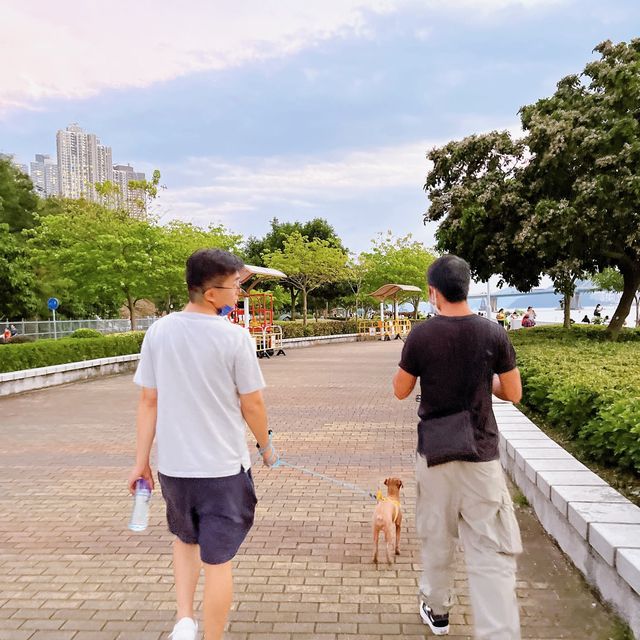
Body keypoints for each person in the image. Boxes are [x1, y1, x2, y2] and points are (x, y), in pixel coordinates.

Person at [127, 248, 278, 640]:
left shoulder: (159, 331)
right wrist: (267, 447)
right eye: (235, 285)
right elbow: (252, 402)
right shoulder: (234, 338)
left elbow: (148, 400)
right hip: (222, 470)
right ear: (212, 294)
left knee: (184, 539)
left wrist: (140, 462)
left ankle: (183, 619)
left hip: (174, 469)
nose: (239, 292)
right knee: (219, 562)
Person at [393, 254, 523, 640]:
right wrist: (487, 383)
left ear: (433, 292)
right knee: (491, 547)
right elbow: (513, 392)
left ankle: (438, 612)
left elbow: (400, 391)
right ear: (466, 287)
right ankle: (499, 632)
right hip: (481, 454)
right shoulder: (493, 333)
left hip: (435, 454)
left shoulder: (421, 335)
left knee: (437, 537)